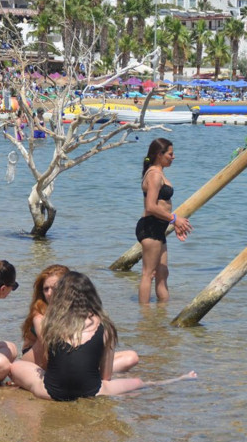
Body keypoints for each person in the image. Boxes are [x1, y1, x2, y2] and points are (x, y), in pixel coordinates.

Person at [10, 271, 196, 400]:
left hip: (51, 393)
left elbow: (52, 361)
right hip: (92, 391)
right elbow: (105, 376)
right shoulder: (105, 326)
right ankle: (179, 379)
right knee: (138, 382)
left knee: (17, 367)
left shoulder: (50, 322)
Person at [20, 264, 139, 373]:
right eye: (46, 289)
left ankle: (86, 373)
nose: (50, 293)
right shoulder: (40, 314)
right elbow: (49, 345)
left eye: (55, 288)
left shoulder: (77, 309)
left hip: (68, 356)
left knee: (131, 357)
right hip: (38, 357)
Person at [136, 138, 192, 304]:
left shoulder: (159, 173)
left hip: (158, 228)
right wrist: (175, 219)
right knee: (148, 274)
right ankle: (145, 318)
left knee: (162, 273)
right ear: (159, 155)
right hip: (150, 227)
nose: (173, 157)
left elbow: (162, 207)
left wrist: (175, 223)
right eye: (170, 154)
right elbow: (151, 207)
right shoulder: (154, 175)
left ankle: (161, 316)